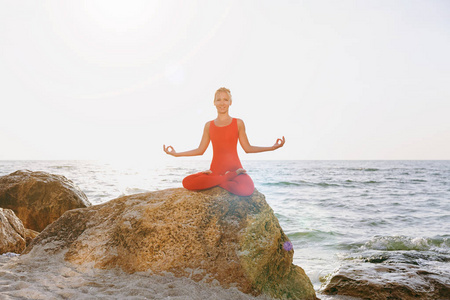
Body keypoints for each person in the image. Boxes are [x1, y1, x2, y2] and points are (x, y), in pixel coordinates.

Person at [163, 87, 285, 196]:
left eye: (225, 100)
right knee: (187, 182)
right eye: (219, 100)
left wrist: (272, 147)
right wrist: (176, 154)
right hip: (216, 171)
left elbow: (248, 148)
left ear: (230, 102)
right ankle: (224, 179)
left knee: (247, 189)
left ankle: (217, 182)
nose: (222, 103)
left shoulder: (238, 123)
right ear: (214, 102)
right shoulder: (208, 125)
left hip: (236, 170)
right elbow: (200, 150)